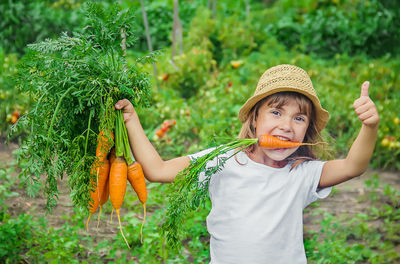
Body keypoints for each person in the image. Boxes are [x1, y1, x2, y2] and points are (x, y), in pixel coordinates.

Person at [115, 64, 379, 264]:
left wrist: (369, 126)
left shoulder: (301, 173)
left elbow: (353, 166)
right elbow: (157, 170)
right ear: (254, 119)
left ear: (307, 128)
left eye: (299, 119)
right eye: (276, 112)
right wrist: (130, 119)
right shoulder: (223, 160)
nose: (286, 126)